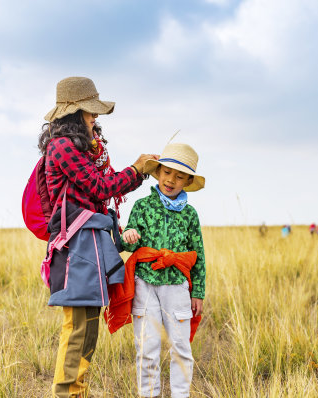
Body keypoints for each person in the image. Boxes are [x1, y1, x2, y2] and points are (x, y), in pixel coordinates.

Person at [38, 76, 158, 398]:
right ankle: (67, 394)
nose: (96, 118)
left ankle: (77, 392)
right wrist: (137, 169)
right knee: (78, 329)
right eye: (91, 112)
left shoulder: (81, 148)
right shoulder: (62, 147)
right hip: (76, 248)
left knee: (88, 326)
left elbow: (99, 189)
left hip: (87, 246)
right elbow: (100, 188)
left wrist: (138, 171)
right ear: (76, 113)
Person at [122, 142, 206, 398]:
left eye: (179, 176)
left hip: (177, 286)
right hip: (145, 284)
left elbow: (197, 255)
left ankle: (181, 395)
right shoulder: (142, 206)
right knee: (147, 347)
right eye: (167, 172)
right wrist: (129, 235)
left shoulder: (190, 214)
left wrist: (198, 292)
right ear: (158, 172)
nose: (171, 180)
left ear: (188, 180)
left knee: (181, 347)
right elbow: (127, 238)